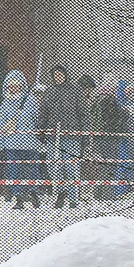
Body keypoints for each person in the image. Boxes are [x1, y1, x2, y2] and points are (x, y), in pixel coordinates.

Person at [0, 70, 44, 207]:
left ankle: (34, 193)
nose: (14, 88)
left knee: (32, 170)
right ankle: (19, 197)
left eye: (16, 85)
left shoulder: (31, 100)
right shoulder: (5, 103)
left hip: (30, 142)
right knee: (14, 172)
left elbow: (38, 119)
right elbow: (1, 124)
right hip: (12, 143)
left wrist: (40, 137)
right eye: (11, 86)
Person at [38, 63, 85, 209]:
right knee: (53, 166)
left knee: (71, 168)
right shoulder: (49, 92)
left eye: (60, 74)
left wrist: (84, 134)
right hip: (53, 136)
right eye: (55, 75)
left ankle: (73, 198)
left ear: (65, 75)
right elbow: (43, 113)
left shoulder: (75, 91)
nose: (58, 77)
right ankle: (60, 193)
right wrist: (42, 130)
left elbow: (83, 113)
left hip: (72, 135)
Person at [88, 74, 128, 199]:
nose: (116, 89)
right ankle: (107, 195)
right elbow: (114, 120)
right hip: (110, 138)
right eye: (115, 87)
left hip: (98, 138)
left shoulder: (97, 99)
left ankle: (98, 193)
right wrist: (125, 114)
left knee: (102, 167)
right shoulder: (111, 100)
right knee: (110, 166)